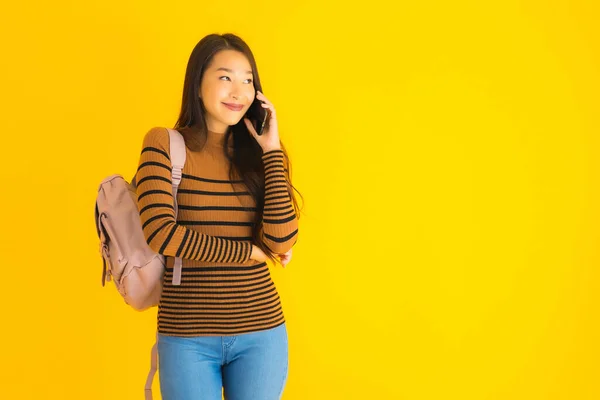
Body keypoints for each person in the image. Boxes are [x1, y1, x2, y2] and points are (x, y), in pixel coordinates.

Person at [134, 33, 302, 400]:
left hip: (262, 331)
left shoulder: (259, 155)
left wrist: (272, 149)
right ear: (198, 84)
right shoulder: (163, 144)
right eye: (225, 77)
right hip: (187, 334)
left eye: (247, 80)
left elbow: (281, 241)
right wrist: (247, 252)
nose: (238, 91)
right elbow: (161, 234)